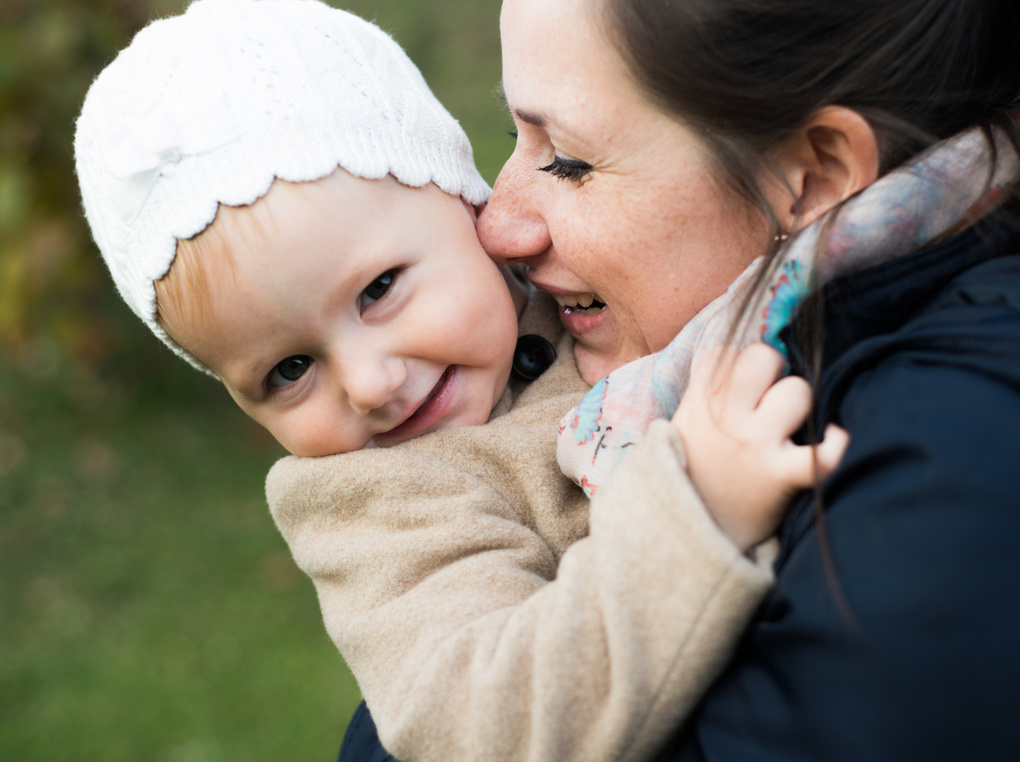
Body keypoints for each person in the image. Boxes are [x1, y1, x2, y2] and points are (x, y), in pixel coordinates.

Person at [75, 2, 843, 762]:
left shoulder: (588, 291)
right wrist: (693, 516)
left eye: (379, 290)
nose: (371, 385)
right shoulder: (381, 510)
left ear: (470, 209)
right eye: (288, 370)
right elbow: (483, 729)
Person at [470, 0, 1020, 759]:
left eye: (567, 160)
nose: (497, 227)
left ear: (815, 175)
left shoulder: (950, 478)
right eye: (513, 135)